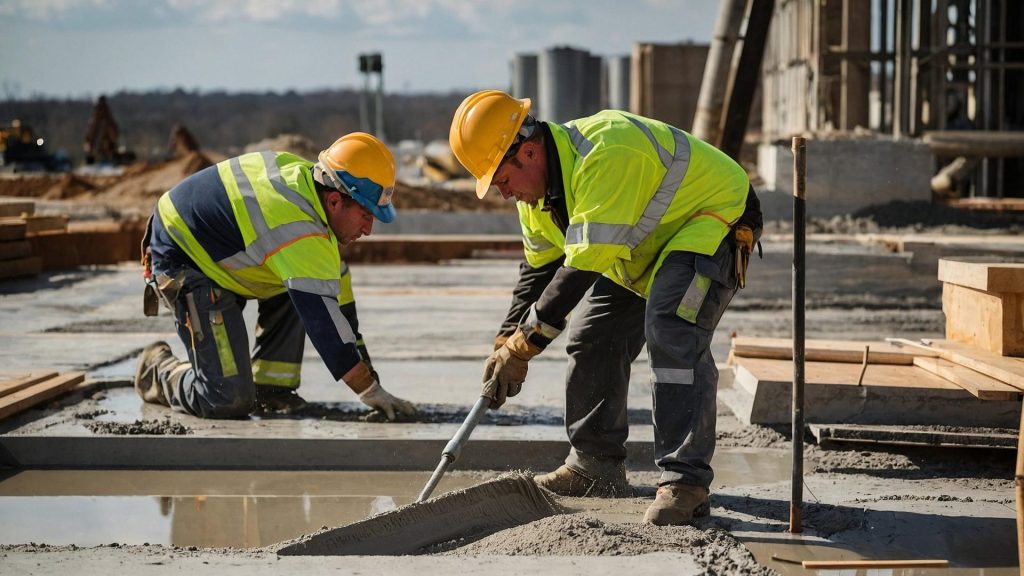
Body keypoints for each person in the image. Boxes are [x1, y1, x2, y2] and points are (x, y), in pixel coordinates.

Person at [449, 90, 762, 525]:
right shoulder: (537, 200)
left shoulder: (607, 152)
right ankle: (595, 467)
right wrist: (504, 341)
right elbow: (538, 273)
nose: (504, 194)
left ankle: (685, 481)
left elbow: (576, 275)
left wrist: (523, 348)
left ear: (529, 152)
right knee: (592, 336)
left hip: (712, 220)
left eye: (501, 181)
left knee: (671, 328)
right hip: (644, 251)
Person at [134, 132, 417, 421]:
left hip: (221, 247)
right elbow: (326, 329)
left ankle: (271, 390)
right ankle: (158, 370)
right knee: (225, 397)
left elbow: (342, 318)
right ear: (334, 201)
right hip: (183, 257)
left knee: (306, 288)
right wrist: (368, 390)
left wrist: (371, 377)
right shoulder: (298, 228)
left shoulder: (312, 195)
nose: (368, 230)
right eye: (366, 216)